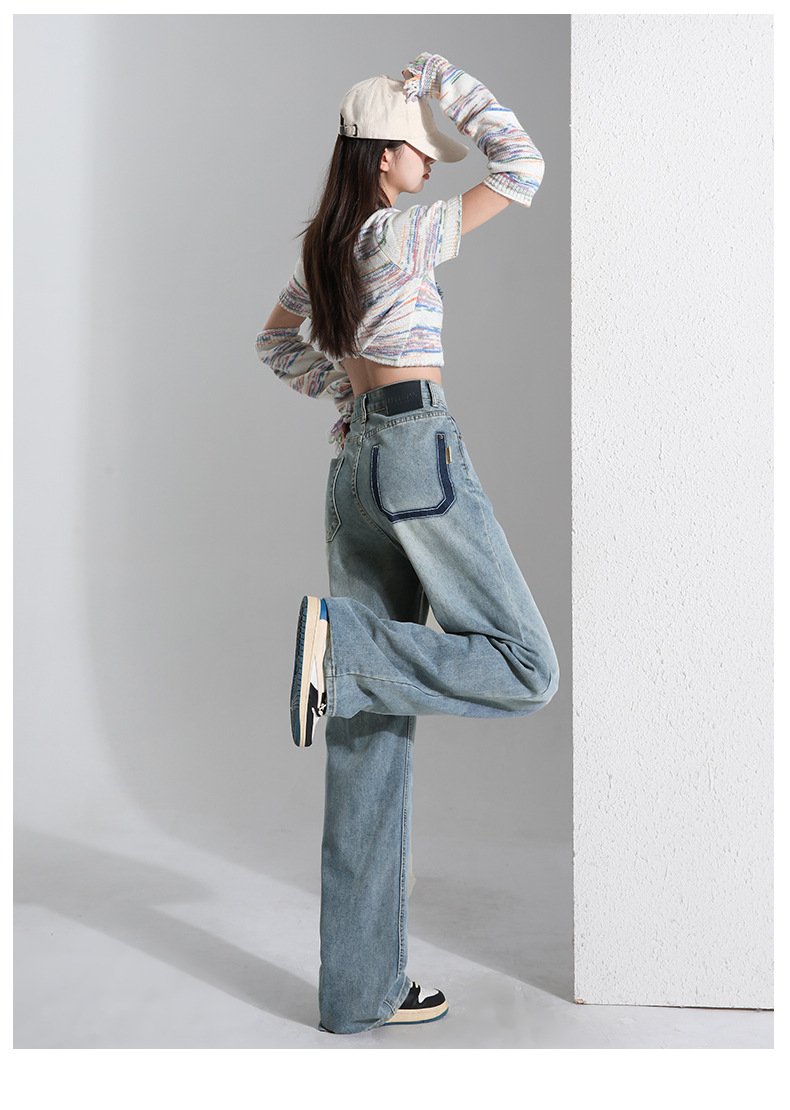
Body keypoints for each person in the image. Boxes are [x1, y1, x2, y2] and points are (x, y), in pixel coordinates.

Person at [256, 52, 559, 1035]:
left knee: (367, 734)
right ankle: (343, 649)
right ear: (382, 156)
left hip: (355, 467)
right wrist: (448, 81)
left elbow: (274, 343)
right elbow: (521, 166)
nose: (431, 163)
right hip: (417, 452)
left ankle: (357, 990)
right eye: (420, 149)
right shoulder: (402, 230)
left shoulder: (325, 247)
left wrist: (347, 393)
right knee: (526, 668)